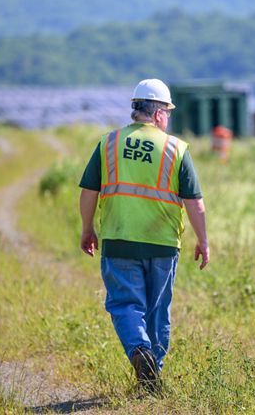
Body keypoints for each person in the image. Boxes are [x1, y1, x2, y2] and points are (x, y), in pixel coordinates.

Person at [78, 78, 210, 392]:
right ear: (160, 114)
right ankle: (153, 376)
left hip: (119, 238)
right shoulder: (176, 148)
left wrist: (87, 229)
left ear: (136, 109)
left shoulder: (108, 143)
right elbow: (195, 202)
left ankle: (140, 351)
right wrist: (203, 240)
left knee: (126, 305)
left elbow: (88, 191)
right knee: (157, 310)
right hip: (163, 244)